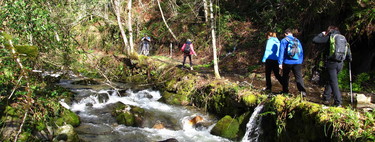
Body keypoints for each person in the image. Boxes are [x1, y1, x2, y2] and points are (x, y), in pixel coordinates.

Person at [312, 26, 352, 107]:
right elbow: (348, 52)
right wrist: (349, 58)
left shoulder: (330, 38)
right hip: (340, 63)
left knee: (334, 82)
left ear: (329, 31)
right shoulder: (342, 38)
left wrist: (321, 34)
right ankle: (326, 98)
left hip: (331, 63)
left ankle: (338, 102)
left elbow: (315, 40)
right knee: (330, 80)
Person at [278, 29, 307, 96]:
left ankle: (285, 91)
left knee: (285, 76)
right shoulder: (297, 40)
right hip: (297, 61)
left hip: (287, 62)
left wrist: (280, 62)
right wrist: (300, 60)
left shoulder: (284, 40)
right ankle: (302, 92)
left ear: (285, 34)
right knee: (298, 77)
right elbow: (301, 51)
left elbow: (281, 52)